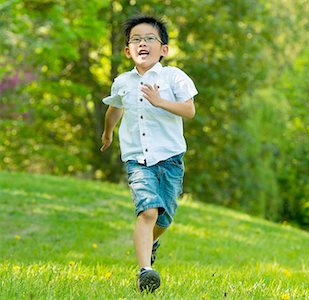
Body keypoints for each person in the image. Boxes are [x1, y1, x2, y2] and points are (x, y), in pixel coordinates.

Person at [100, 15, 198, 293]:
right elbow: (115, 108)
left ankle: (151, 243)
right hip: (137, 160)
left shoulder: (174, 77)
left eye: (149, 39)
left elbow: (189, 111)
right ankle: (146, 271)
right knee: (147, 211)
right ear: (127, 50)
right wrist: (108, 133)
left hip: (170, 159)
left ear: (163, 49)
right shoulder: (122, 82)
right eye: (136, 40)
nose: (142, 43)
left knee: (163, 218)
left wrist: (159, 101)